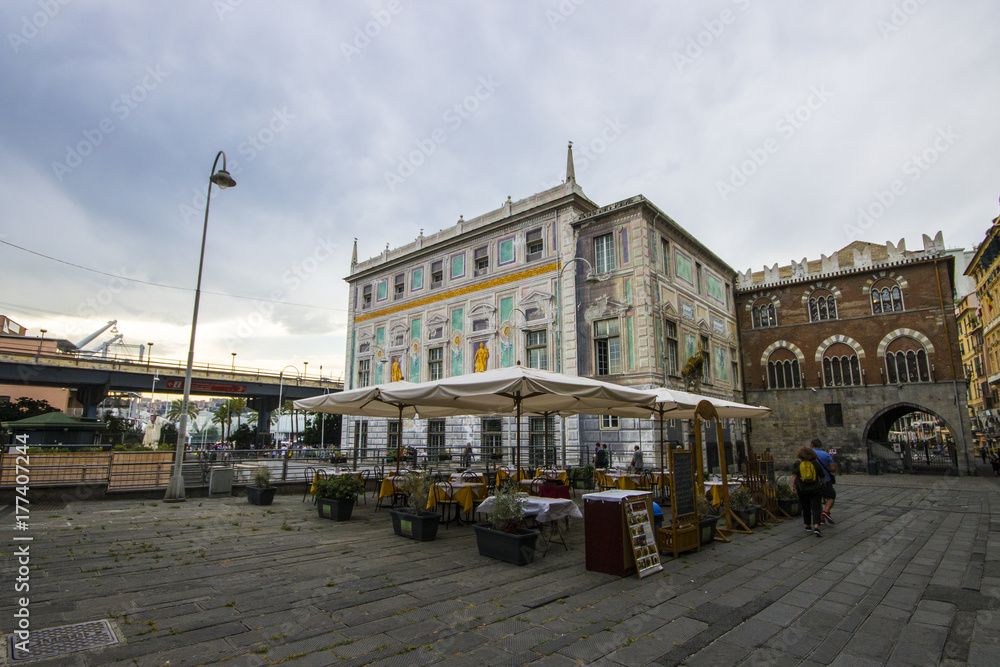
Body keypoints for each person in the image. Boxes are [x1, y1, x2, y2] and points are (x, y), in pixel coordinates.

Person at [792, 446, 824, 537]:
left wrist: (792, 486)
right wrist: (823, 484)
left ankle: (807, 525)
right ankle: (817, 527)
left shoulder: (797, 464)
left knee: (805, 507)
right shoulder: (816, 464)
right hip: (815, 489)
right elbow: (822, 476)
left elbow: (793, 476)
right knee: (816, 508)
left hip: (802, 489)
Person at [808, 438, 837, 525]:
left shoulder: (808, 455)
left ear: (812, 445)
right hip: (825, 480)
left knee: (818, 499)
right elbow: (833, 468)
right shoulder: (826, 455)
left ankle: (821, 518)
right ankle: (826, 511)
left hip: (812, 481)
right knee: (831, 496)